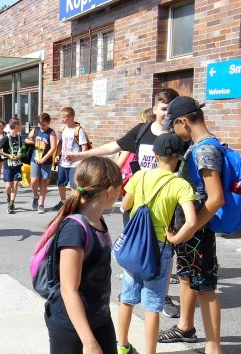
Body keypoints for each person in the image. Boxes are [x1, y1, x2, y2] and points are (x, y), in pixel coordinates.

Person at [68, 88, 182, 317]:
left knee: (164, 250)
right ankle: (130, 289)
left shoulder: (177, 136)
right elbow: (113, 147)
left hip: (166, 203)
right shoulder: (142, 131)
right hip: (137, 202)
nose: (166, 114)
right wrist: (82, 155)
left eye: (170, 110)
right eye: (163, 109)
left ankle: (163, 294)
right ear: (154, 108)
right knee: (134, 245)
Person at [117, 133, 198, 354]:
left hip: (134, 247)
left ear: (155, 155)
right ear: (179, 158)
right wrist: (175, 238)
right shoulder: (180, 185)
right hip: (159, 248)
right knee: (152, 305)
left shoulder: (140, 176)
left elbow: (125, 204)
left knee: (127, 299)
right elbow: (191, 221)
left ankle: (122, 346)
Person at [157, 96, 224, 353]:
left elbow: (215, 198)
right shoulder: (197, 146)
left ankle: (213, 348)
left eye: (173, 125)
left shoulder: (205, 150)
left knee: (205, 288)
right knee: (186, 278)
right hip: (189, 232)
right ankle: (185, 327)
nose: (173, 131)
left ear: (183, 121)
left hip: (197, 232)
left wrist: (191, 228)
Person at [43, 157, 122, 354]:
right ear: (110, 192)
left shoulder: (97, 219)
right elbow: (68, 289)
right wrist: (89, 342)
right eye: (120, 187)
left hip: (99, 317)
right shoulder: (75, 230)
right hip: (71, 326)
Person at [52, 107, 89, 211]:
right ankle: (63, 202)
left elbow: (84, 146)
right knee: (60, 183)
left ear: (71, 117)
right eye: (62, 117)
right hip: (63, 162)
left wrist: (81, 159)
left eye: (64, 117)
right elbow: (60, 143)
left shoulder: (78, 130)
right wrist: (57, 155)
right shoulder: (63, 129)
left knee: (73, 185)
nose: (62, 119)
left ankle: (74, 205)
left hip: (75, 163)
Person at [25, 113, 57, 214]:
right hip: (35, 159)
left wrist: (43, 159)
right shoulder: (36, 130)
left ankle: (41, 204)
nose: (42, 127)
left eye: (44, 125)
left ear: (49, 123)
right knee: (34, 181)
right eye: (40, 124)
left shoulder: (51, 133)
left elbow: (53, 148)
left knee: (43, 182)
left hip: (46, 161)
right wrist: (32, 142)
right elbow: (26, 139)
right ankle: (35, 196)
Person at [0, 118, 23, 214]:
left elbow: (22, 147)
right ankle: (8, 197)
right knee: (8, 185)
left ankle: (11, 204)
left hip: (18, 165)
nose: (22, 126)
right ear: (16, 126)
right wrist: (7, 155)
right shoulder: (6, 138)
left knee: (15, 184)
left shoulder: (19, 137)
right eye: (20, 125)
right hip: (8, 164)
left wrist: (20, 154)